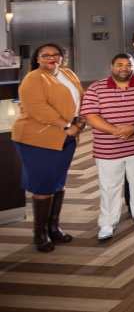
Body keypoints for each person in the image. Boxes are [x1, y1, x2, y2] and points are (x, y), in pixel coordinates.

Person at [12, 43, 85, 253]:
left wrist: (81, 122)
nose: (51, 58)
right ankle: (40, 233)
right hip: (37, 137)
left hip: (67, 135)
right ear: (37, 58)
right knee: (43, 185)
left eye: (56, 54)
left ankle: (54, 227)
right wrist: (67, 125)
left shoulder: (68, 73)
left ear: (63, 57)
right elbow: (37, 108)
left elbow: (80, 99)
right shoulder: (34, 78)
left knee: (58, 182)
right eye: (46, 55)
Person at [80, 53, 134, 240]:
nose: (124, 68)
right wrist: (115, 131)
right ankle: (108, 222)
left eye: (128, 65)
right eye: (120, 65)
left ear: (133, 67)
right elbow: (90, 115)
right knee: (109, 186)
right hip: (107, 149)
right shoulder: (96, 89)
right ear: (111, 66)